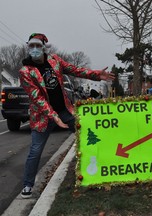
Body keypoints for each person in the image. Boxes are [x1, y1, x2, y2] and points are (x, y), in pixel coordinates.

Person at [19, 33, 115, 198]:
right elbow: (38, 98)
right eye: (31, 46)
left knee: (87, 135)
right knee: (35, 151)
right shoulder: (26, 71)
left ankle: (100, 169)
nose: (34, 49)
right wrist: (53, 117)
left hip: (64, 110)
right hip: (43, 116)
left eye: (37, 46)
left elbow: (75, 70)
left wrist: (96, 75)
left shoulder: (55, 61)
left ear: (44, 48)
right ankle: (28, 185)